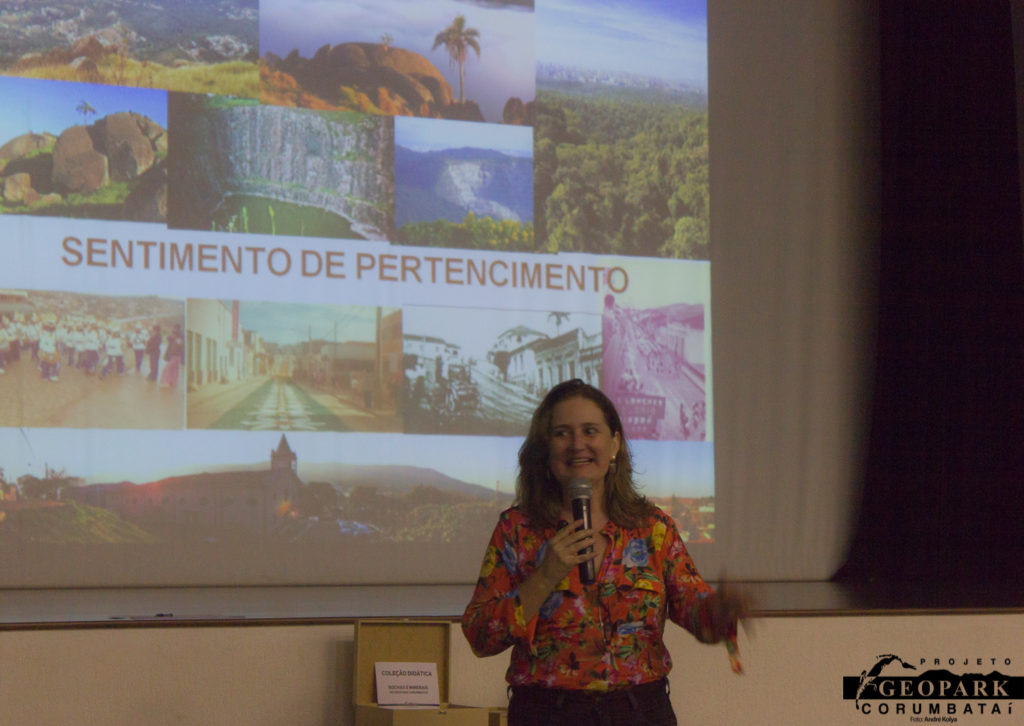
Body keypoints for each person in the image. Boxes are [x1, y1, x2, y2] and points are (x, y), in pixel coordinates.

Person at [462, 379, 747, 726]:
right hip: (547, 714)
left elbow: (694, 608)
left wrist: (719, 610)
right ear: (545, 449)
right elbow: (480, 636)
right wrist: (544, 577)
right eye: (562, 433)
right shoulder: (517, 530)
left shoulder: (653, 528)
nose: (577, 444)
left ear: (614, 444)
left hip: (639, 712)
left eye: (590, 431)